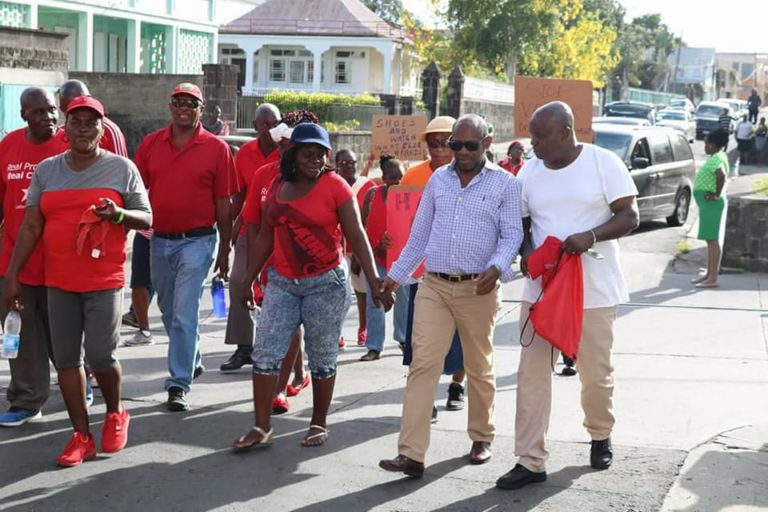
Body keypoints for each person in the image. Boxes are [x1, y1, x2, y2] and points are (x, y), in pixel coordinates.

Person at [496, 101, 639, 491]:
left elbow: (629, 216)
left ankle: (599, 433)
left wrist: (590, 236)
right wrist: (526, 252)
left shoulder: (602, 163)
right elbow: (522, 223)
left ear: (565, 132)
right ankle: (530, 460)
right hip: (542, 291)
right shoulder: (530, 170)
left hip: (594, 291)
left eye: (540, 136)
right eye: (532, 135)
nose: (533, 143)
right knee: (532, 376)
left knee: (594, 374)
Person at [3, 96, 152, 467]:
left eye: (92, 122)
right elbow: (32, 225)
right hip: (59, 280)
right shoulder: (48, 171)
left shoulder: (122, 168)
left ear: (102, 130)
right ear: (65, 129)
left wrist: (118, 214)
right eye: (77, 121)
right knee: (68, 360)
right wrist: (12, 275)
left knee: (101, 355)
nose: (84, 127)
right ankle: (81, 436)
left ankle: (116, 412)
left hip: (103, 278)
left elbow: (146, 218)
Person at [378, 114, 523, 478]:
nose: (459, 152)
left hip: (479, 287)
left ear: (487, 145)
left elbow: (511, 235)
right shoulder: (438, 182)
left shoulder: (506, 184)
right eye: (453, 144)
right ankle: (410, 454)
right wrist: (394, 278)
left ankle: (481, 436)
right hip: (435, 287)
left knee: (478, 365)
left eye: (469, 146)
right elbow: (419, 236)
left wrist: (498, 265)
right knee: (422, 365)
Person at [233, 123, 390, 450]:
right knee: (264, 351)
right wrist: (248, 279)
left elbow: (356, 234)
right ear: (292, 155)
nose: (315, 160)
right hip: (283, 283)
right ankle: (261, 426)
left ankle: (318, 422)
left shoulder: (335, 187)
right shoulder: (277, 186)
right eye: (308, 154)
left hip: (326, 285)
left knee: (322, 357)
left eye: (321, 154)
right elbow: (265, 236)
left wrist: (374, 281)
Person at [134, 83, 236, 412]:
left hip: (199, 240)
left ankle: (178, 383)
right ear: (170, 106)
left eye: (191, 103)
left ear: (200, 110)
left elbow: (224, 202)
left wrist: (225, 250)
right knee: (167, 310)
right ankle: (191, 356)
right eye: (179, 102)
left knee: (183, 312)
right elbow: (135, 190)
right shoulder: (151, 144)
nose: (184, 108)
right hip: (159, 239)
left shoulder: (216, 148)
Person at [232, 110, 319, 415]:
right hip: (270, 265)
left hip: (305, 268)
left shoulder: (320, 178)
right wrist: (251, 273)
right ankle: (293, 375)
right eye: (281, 144)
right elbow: (254, 223)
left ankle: (282, 387)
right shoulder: (263, 175)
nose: (285, 151)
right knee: (279, 326)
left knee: (291, 324)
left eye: (291, 145)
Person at [0, 88, 68, 428]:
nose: (49, 117)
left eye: (52, 110)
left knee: (63, 330)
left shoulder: (69, 146)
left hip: (62, 260)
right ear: (24, 114)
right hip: (15, 260)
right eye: (39, 111)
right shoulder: (9, 145)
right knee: (21, 333)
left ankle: (75, 384)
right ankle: (27, 400)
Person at [400, 115, 467, 415]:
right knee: (421, 339)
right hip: (421, 275)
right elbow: (400, 223)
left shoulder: (471, 176)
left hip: (460, 274)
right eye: (433, 142)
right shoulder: (411, 178)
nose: (439, 149)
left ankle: (456, 384)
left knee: (461, 336)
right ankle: (424, 398)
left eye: (445, 142)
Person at [220, 103, 281, 371]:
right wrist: (231, 226)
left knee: (276, 289)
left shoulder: (288, 151)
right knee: (237, 282)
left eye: (274, 123)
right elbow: (240, 194)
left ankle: (274, 348)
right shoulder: (244, 153)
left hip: (281, 232)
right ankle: (244, 346)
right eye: (264, 124)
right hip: (250, 228)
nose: (268, 129)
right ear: (255, 126)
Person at [359, 155, 409, 361]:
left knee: (404, 302)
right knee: (375, 301)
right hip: (376, 257)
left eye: (400, 178)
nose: (396, 182)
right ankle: (374, 346)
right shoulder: (372, 195)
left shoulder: (409, 196)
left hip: (402, 259)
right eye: (391, 177)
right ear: (383, 177)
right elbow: (360, 225)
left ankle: (404, 339)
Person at [336, 148, 376, 348]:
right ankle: (337, 334)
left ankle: (363, 329)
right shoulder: (331, 185)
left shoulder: (365, 186)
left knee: (361, 293)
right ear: (337, 165)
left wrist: (360, 258)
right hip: (338, 250)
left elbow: (368, 219)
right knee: (338, 296)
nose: (349, 166)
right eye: (344, 163)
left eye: (352, 162)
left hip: (358, 249)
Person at [691, 129, 729, 289]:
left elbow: (720, 176)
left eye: (706, 144)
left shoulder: (716, 159)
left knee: (712, 240)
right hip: (708, 204)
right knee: (710, 240)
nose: (705, 147)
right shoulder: (719, 156)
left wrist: (715, 194)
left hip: (711, 204)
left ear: (713, 145)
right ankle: (708, 274)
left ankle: (712, 277)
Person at [57, 80, 128, 157]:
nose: (82, 129)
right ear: (62, 109)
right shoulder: (59, 132)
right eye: (72, 110)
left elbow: (119, 165)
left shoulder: (110, 130)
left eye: (82, 102)